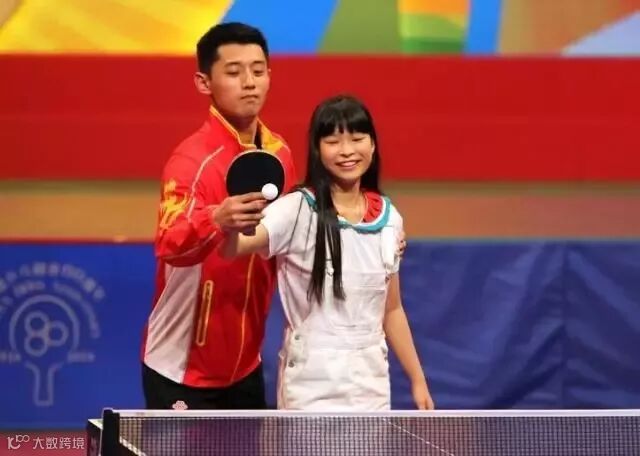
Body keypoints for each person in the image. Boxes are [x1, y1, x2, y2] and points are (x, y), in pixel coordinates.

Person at [219, 95, 434, 410]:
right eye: (333, 141)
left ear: (372, 145)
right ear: (317, 150)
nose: (347, 151)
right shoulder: (296, 210)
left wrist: (418, 379)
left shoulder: (389, 219)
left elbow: (392, 310)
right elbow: (233, 248)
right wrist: (230, 221)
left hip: (370, 387)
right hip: (309, 387)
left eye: (357, 139)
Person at [139, 22, 298, 410]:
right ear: (203, 82)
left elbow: (292, 233)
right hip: (181, 369)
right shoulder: (189, 161)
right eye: (233, 72)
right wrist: (216, 219)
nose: (249, 82)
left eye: (258, 71)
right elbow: (169, 244)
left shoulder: (281, 155)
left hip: (246, 365)